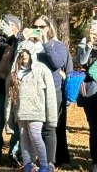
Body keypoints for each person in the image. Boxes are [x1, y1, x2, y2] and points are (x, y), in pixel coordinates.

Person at [6, 41, 56, 172]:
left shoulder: (42, 69)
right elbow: (9, 97)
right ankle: (28, 164)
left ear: (32, 52)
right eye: (22, 52)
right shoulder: (14, 71)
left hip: (36, 111)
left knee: (35, 135)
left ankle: (44, 165)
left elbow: (50, 94)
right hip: (20, 111)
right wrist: (9, 117)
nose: (24, 54)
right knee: (23, 137)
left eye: (27, 52)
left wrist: (52, 117)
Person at [31, 15, 72, 168]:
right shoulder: (30, 45)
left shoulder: (57, 45)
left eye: (41, 27)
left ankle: (60, 159)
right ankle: (39, 159)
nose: (38, 29)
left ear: (48, 28)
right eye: (35, 26)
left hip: (54, 90)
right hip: (34, 90)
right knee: (36, 126)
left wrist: (45, 43)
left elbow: (57, 63)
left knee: (56, 126)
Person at [0, 14, 23, 164]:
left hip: (15, 88)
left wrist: (12, 37)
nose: (4, 27)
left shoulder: (21, 39)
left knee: (16, 123)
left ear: (15, 26)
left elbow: (21, 53)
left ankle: (14, 155)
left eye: (7, 24)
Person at [76, 20, 97, 172]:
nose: (94, 31)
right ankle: (95, 161)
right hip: (90, 89)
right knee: (94, 127)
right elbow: (82, 60)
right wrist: (90, 45)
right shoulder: (83, 43)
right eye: (92, 28)